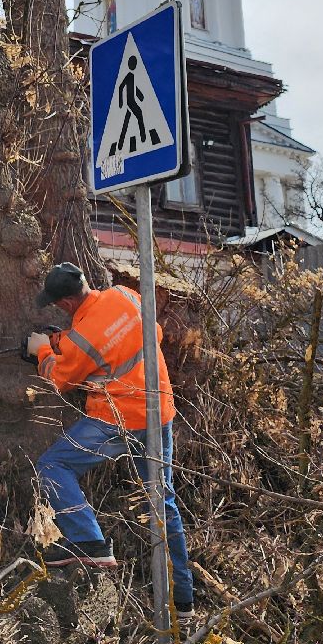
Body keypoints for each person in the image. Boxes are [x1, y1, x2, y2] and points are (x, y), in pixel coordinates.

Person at [25, 261, 195, 615]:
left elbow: (61, 380)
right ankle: (183, 598)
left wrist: (42, 350)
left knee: (52, 465)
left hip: (117, 421)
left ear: (65, 304)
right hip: (159, 410)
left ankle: (88, 541)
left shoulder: (81, 339)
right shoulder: (125, 295)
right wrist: (63, 340)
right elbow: (144, 338)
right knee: (163, 503)